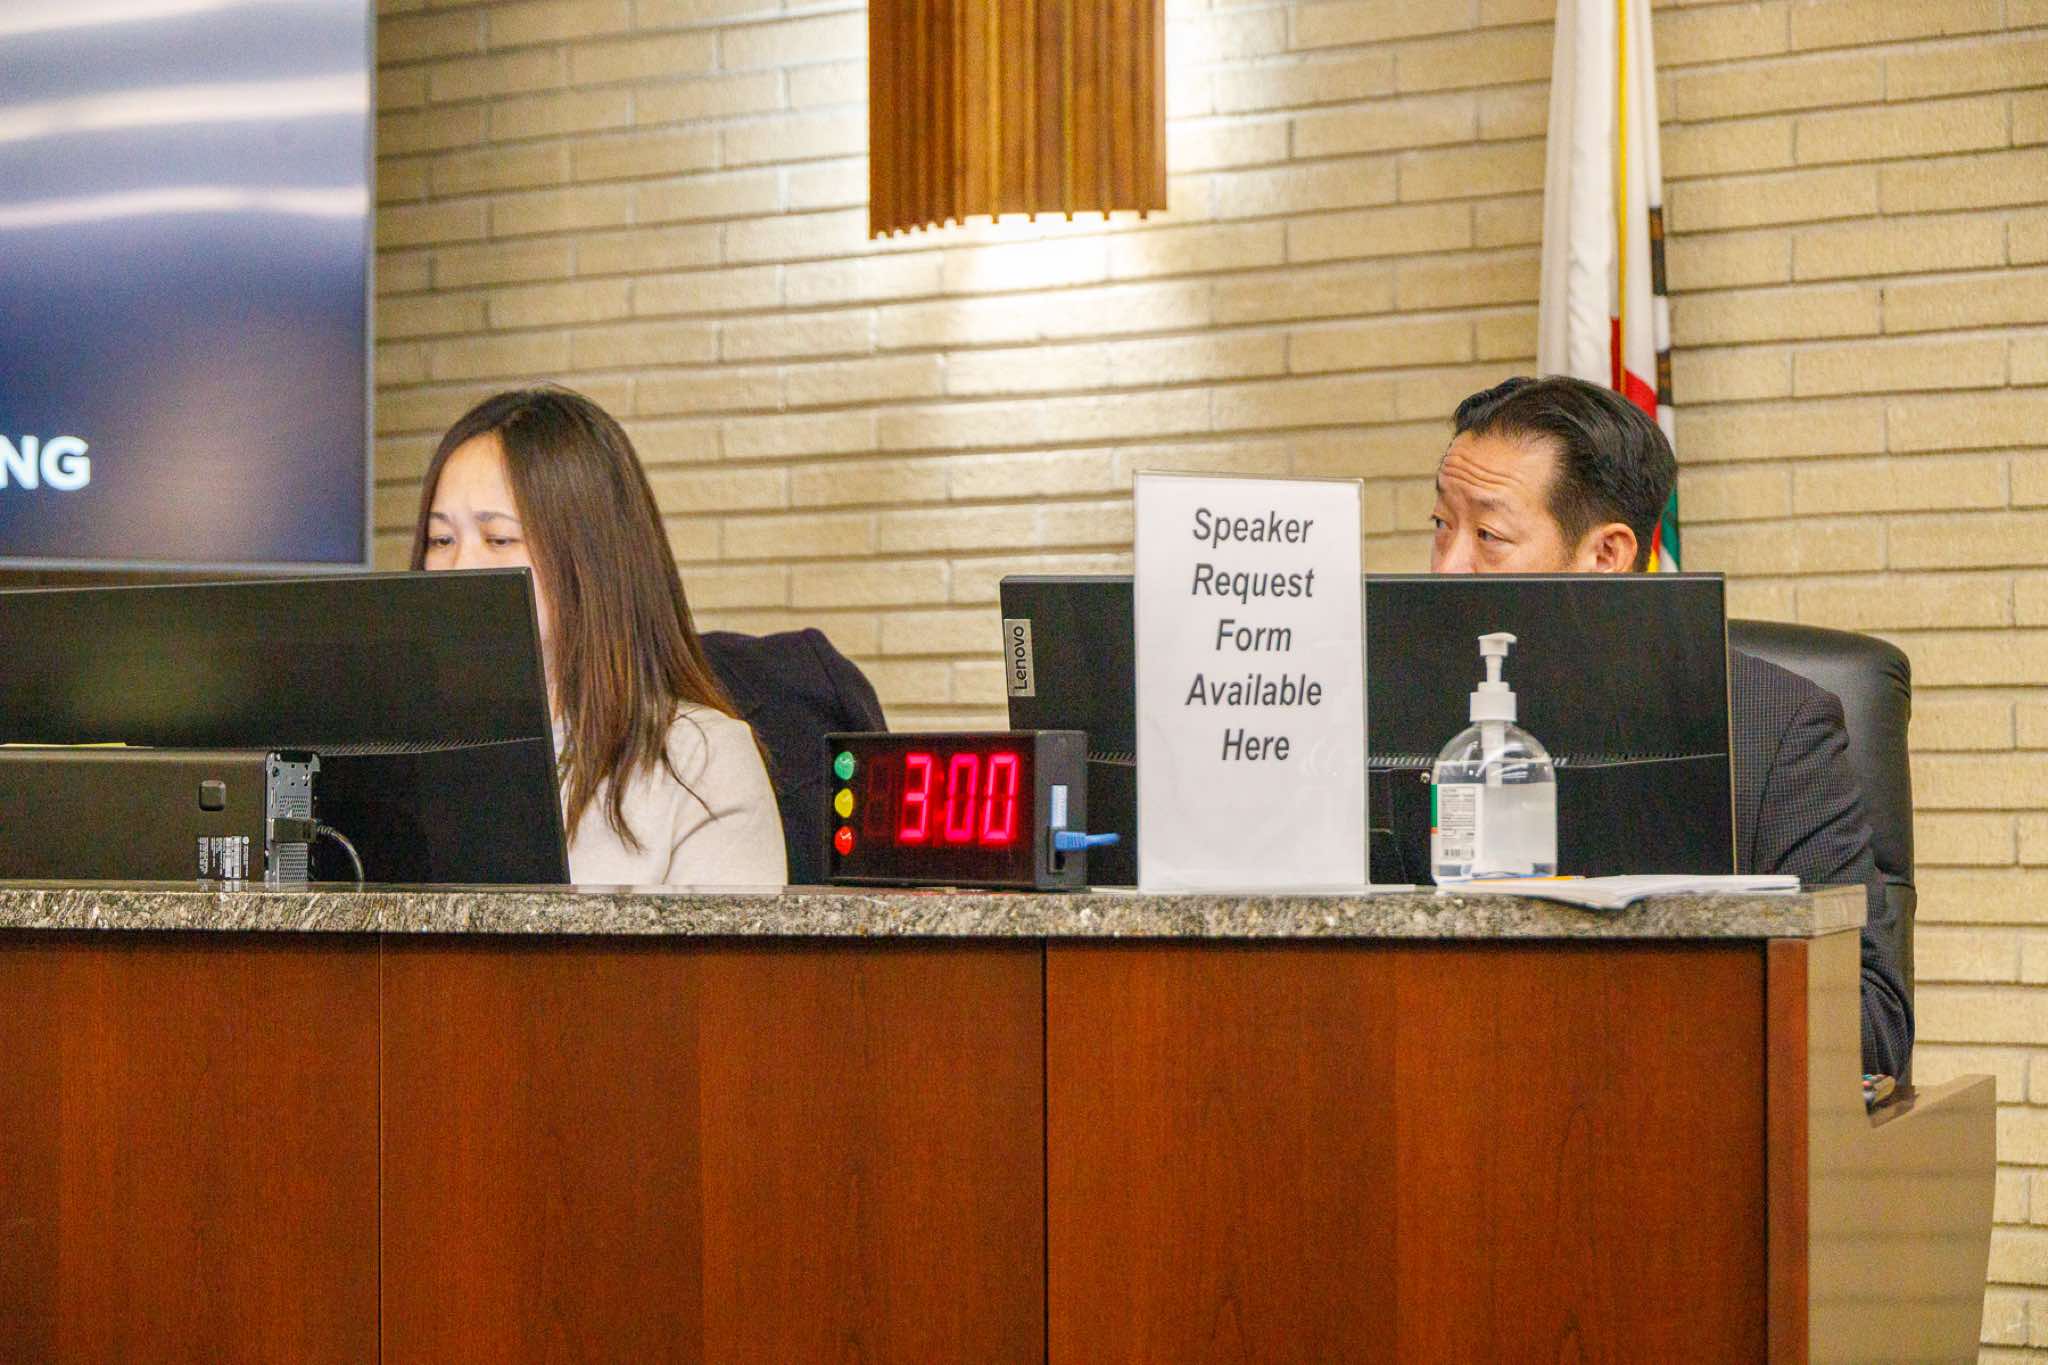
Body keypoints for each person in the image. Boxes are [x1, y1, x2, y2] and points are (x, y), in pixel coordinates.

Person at [1429, 375, 1912, 1079]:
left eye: (1488, 535)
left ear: (1607, 555)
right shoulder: (1399, 708)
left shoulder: (1775, 728)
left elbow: (1870, 1026)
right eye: (1441, 525)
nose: (1448, 566)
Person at [412, 386, 786, 887]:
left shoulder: (701, 762)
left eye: (498, 538)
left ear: (589, 557)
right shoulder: (418, 754)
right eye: (441, 540)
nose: (460, 568)